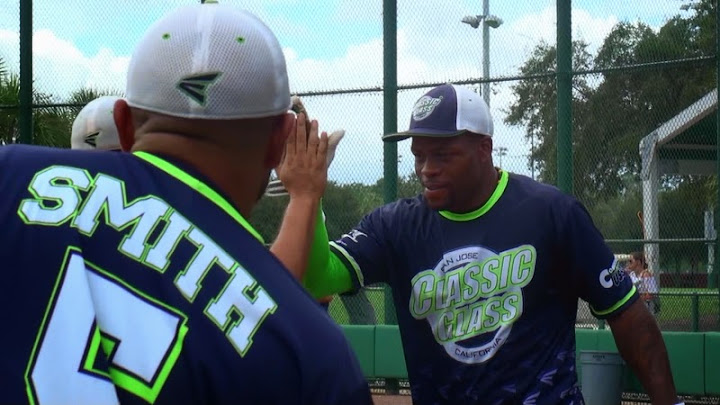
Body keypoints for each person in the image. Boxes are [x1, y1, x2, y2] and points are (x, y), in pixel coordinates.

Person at [0, 3, 372, 405]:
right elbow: (260, 297)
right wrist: (305, 194)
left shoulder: (9, 175)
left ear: (124, 125)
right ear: (280, 139)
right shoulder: (312, 350)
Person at [272, 83, 682, 404]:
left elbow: (627, 316)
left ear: (484, 148)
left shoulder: (552, 213)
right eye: (419, 156)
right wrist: (308, 196)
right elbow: (317, 279)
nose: (427, 169)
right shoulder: (395, 226)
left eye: (443, 154)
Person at [627, 251, 661, 315]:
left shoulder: (646, 275)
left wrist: (635, 299)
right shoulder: (631, 274)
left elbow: (652, 293)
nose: (628, 263)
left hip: (645, 308)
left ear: (638, 262)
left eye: (631, 261)